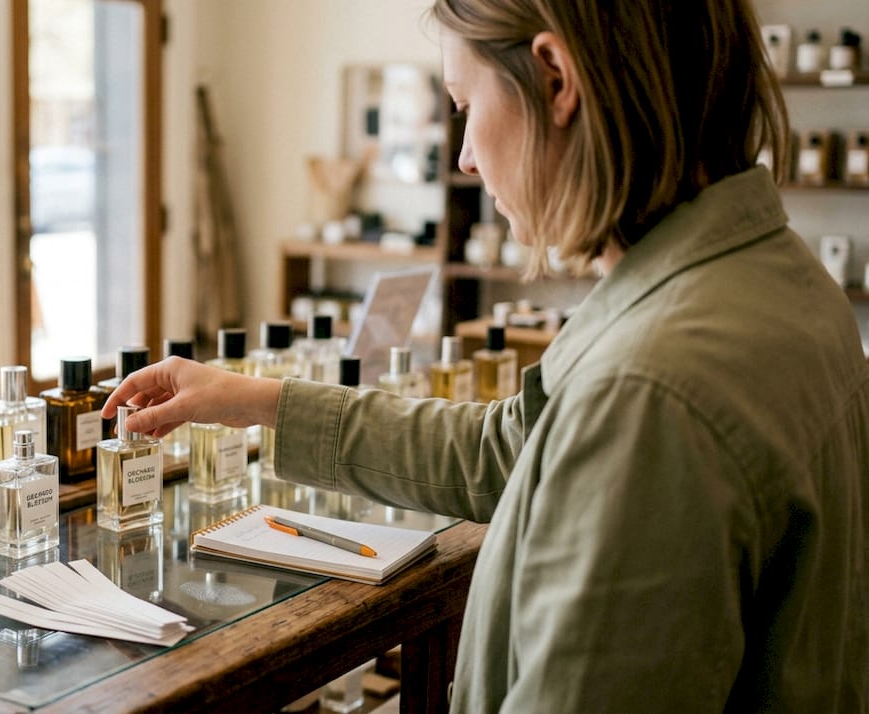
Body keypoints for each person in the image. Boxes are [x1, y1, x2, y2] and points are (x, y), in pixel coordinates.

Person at [105, 0, 869, 711]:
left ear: (555, 78)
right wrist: (254, 399)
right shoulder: (778, 277)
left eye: (466, 106)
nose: (466, 157)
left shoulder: (649, 391)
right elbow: (511, 453)